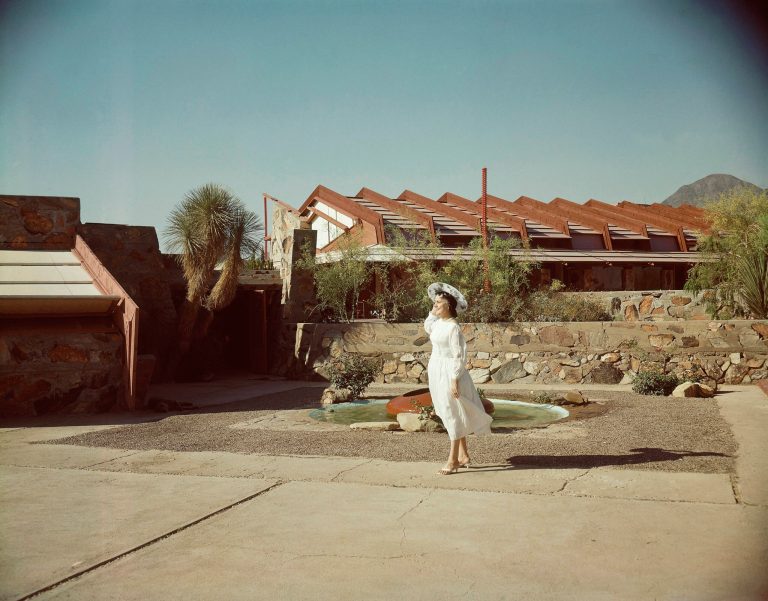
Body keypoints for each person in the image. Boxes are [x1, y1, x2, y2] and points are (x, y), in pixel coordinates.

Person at [424, 283, 492, 475]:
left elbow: (459, 355)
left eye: (439, 303)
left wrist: (454, 379)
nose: (435, 306)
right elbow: (428, 327)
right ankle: (464, 456)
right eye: (435, 302)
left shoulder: (453, 327)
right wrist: (434, 310)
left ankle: (453, 460)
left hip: (449, 372)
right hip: (436, 369)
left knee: (451, 412)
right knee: (448, 412)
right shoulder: (438, 323)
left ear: (449, 307)